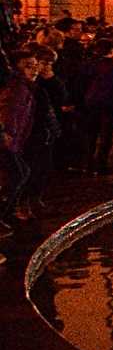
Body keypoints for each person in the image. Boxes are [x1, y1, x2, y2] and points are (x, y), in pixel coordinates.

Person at [1, 49, 40, 222]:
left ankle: (7, 213)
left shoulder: (24, 87)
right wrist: (7, 136)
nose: (34, 70)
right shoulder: (16, 89)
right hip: (7, 141)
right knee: (17, 175)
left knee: (20, 173)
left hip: (12, 140)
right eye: (28, 66)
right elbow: (9, 113)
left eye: (35, 65)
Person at [81, 39, 113, 175]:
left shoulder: (89, 65)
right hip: (110, 103)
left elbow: (82, 81)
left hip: (92, 102)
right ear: (112, 51)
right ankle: (101, 164)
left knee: (91, 134)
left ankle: (87, 163)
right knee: (106, 135)